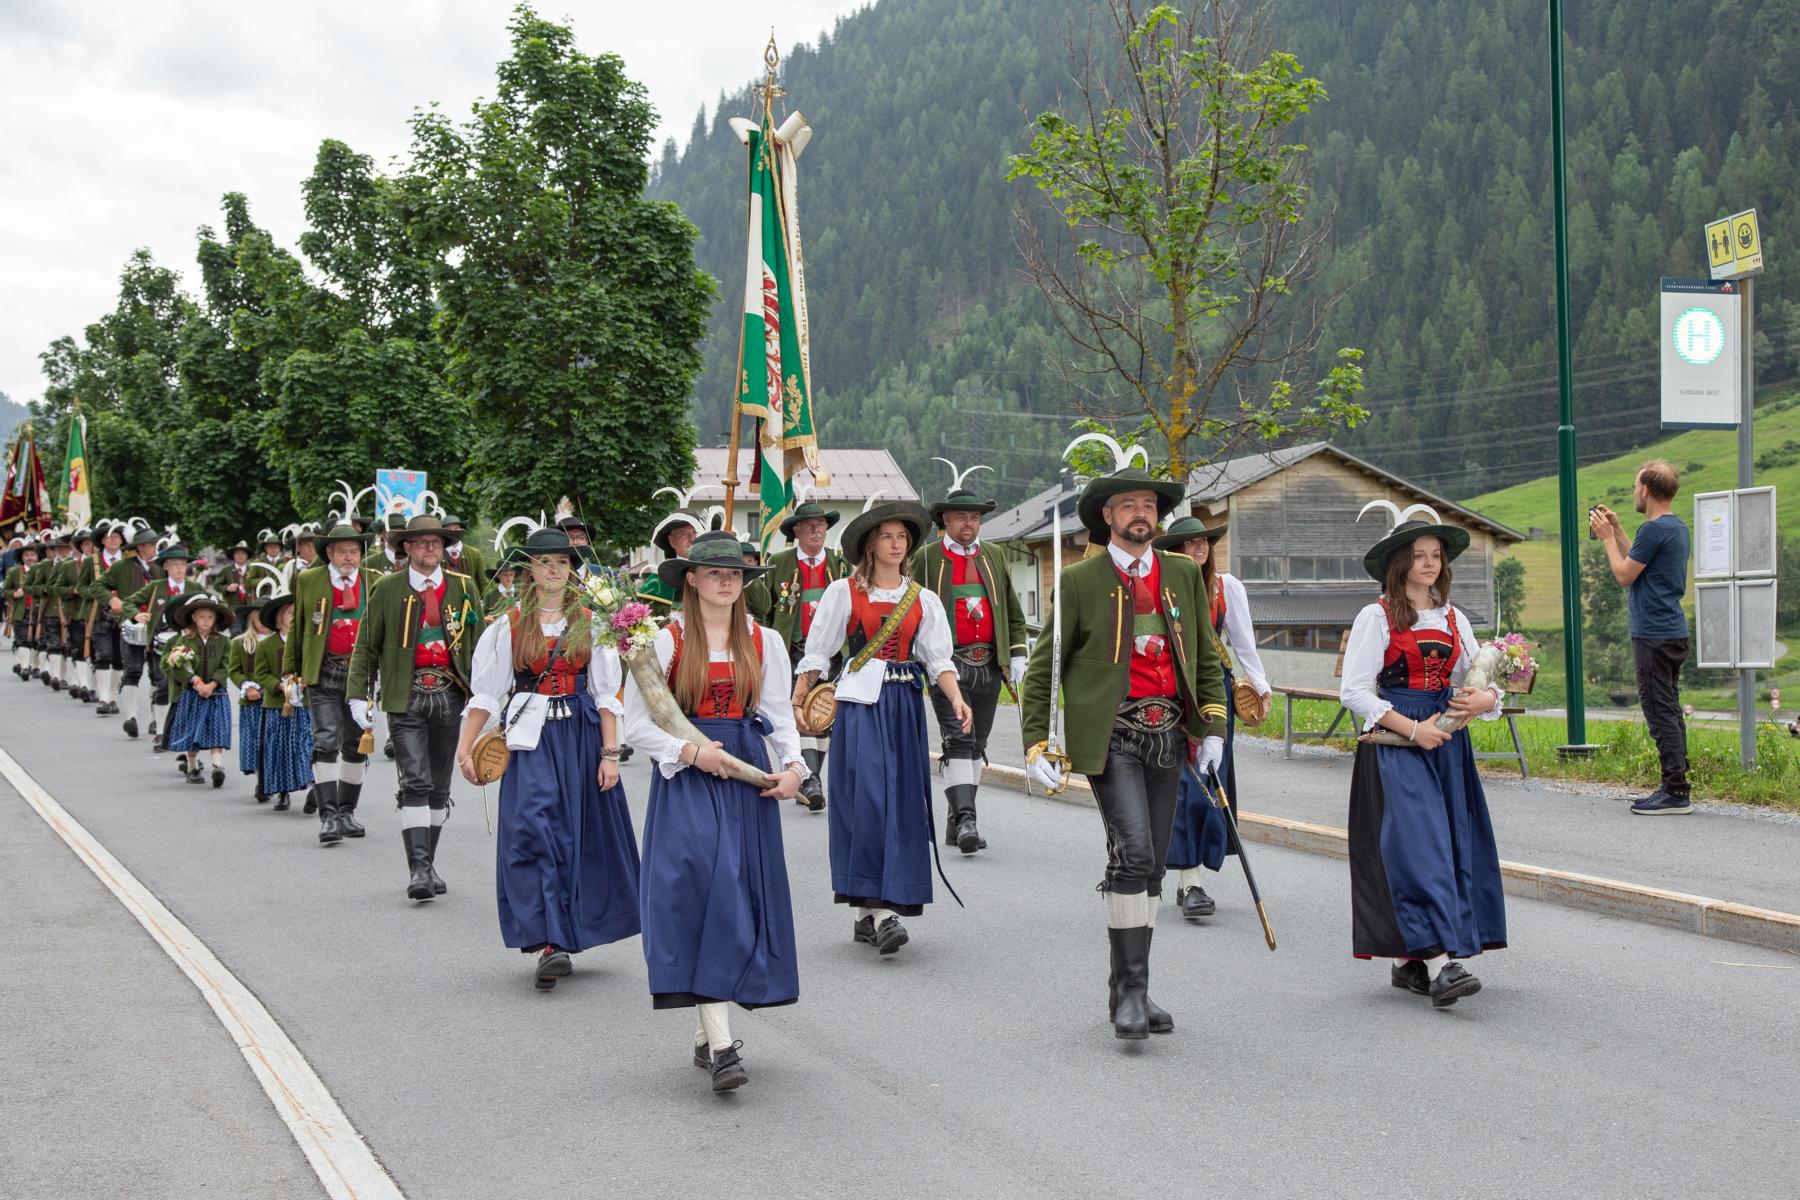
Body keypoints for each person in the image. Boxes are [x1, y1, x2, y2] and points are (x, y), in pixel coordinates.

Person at [1020, 456, 1226, 1041]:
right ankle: (1130, 992)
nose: (1143, 515)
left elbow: (1205, 658)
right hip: (1113, 739)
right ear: (1107, 516)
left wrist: (1211, 728)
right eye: (1130, 505)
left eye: (1150, 506)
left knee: (1155, 864)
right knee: (1134, 853)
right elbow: (1043, 670)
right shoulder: (1080, 581)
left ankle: (1129, 987)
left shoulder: (1183, 573)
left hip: (1170, 737)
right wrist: (1037, 739)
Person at [622, 530, 807, 1092]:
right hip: (689, 779)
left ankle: (709, 1032)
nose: (726, 582)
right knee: (709, 893)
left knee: (737, 895)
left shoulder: (765, 640)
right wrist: (689, 751)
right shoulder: (665, 641)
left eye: (735, 574)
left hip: (745, 773)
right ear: (693, 580)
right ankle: (724, 1047)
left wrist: (796, 768)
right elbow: (636, 724)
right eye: (715, 573)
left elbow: (778, 714)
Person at [456, 528, 641, 989]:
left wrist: (610, 756)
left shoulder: (593, 623)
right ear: (530, 572)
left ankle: (560, 940)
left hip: (579, 736)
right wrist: (464, 748)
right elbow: (486, 693)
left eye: (562, 562)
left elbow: (606, 696)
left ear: (572, 570)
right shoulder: (508, 625)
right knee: (533, 828)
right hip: (529, 740)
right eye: (544, 562)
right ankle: (547, 938)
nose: (554, 569)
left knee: (574, 835)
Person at [1339, 510, 1507, 1007]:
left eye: (1436, 555)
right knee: (1419, 845)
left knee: (1449, 843)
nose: (1430, 563)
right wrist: (1415, 730)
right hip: (1398, 744)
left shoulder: (1452, 616)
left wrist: (1487, 700)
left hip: (1447, 742)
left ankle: (1408, 961)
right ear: (1400, 562)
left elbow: (1475, 674)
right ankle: (1440, 964)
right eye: (1419, 555)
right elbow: (1353, 691)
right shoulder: (1376, 616)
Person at [795, 501, 971, 956]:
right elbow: (819, 652)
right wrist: (799, 699)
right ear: (871, 545)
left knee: (902, 802)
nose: (898, 544)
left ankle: (871, 910)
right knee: (868, 800)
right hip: (860, 708)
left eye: (903, 537)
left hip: (903, 707)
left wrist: (955, 697)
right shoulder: (844, 593)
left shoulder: (922, 598)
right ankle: (879, 911)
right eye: (888, 536)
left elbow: (937, 660)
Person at [348, 514, 486, 901]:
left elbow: (479, 646)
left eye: (436, 542)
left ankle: (429, 862)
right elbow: (367, 645)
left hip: (451, 695)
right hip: (405, 696)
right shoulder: (386, 589)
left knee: (440, 787)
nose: (431, 548)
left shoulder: (463, 586)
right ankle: (419, 870)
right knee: (416, 781)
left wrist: (488, 694)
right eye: (422, 542)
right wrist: (358, 694)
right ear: (406, 547)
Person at [1157, 514, 1271, 920]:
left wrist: (1260, 685)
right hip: (1169, 689)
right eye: (1188, 543)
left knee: (1209, 779)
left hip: (1213, 693)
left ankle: (1192, 876)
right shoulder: (1160, 584)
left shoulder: (1227, 587)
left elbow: (1242, 641)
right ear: (1175, 549)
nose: (1198, 548)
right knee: (1182, 783)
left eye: (1203, 542)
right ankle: (1188, 881)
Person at [911, 476, 1027, 854]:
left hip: (989, 664)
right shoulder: (926, 559)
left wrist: (1018, 652)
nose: (968, 524)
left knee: (977, 743)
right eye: (961, 517)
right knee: (959, 737)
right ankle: (966, 820)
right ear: (945, 521)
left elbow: (1010, 608)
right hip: (947, 663)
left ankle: (955, 820)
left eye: (974, 518)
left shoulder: (993, 556)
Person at [1589, 460, 1693, 815]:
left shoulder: (1654, 530)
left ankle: (1676, 790)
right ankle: (1677, 781)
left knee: (1658, 709)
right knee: (1669, 707)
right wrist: (1618, 529)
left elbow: (1624, 574)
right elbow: (1640, 559)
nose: (1634, 492)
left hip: (1653, 633)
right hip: (1673, 631)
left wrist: (1606, 539)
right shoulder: (1675, 528)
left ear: (1646, 490)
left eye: (1636, 486)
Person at [744, 497, 847, 812]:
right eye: (810, 526)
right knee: (798, 710)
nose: (818, 530)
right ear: (798, 531)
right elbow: (764, 607)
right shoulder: (780, 562)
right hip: (794, 649)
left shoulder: (840, 563)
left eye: (822, 525)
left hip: (833, 652)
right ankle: (811, 778)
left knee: (825, 712)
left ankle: (811, 775)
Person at [283, 523, 382, 836]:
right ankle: (327, 817)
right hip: (324, 670)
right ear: (329, 553)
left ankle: (346, 812)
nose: (349, 557)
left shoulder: (374, 581)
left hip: (362, 676)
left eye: (354, 551)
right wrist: (291, 673)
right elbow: (298, 626)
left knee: (356, 744)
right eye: (342, 551)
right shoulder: (310, 579)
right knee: (326, 739)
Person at [124, 543, 203, 751]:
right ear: (165, 566)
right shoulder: (156, 587)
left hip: (190, 643)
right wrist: (136, 614)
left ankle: (184, 733)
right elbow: (129, 602)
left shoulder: (195, 588)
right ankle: (160, 732)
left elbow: (214, 604)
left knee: (188, 688)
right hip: (161, 643)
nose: (179, 568)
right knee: (162, 686)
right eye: (174, 564)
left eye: (183, 564)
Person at [163, 595, 236, 787]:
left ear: (216, 620)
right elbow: (176, 665)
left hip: (216, 693)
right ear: (194, 617)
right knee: (192, 730)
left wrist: (212, 684)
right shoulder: (184, 640)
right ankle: (192, 766)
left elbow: (227, 665)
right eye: (202, 616)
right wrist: (195, 681)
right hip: (192, 693)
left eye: (210, 617)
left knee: (217, 728)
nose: (206, 621)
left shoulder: (223, 641)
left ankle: (218, 766)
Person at [253, 591, 314, 812]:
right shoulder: (267, 645)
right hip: (277, 706)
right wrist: (279, 685)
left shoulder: (306, 641)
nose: (293, 616)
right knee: (278, 748)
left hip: (304, 704)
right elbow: (260, 673)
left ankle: (310, 788)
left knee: (305, 745)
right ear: (280, 617)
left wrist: (306, 680)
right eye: (289, 613)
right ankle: (282, 792)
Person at [98, 528, 162, 731]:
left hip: (157, 626)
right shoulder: (121, 567)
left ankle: (155, 718)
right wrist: (112, 600)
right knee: (132, 670)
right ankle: (131, 717)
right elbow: (97, 587)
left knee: (157, 673)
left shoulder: (162, 567)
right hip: (130, 624)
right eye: (151, 544)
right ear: (140, 547)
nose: (154, 548)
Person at [77, 522, 127, 713]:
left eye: (116, 536)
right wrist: (102, 596)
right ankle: (103, 698)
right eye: (108, 537)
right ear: (102, 541)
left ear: (122, 540)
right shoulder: (92, 561)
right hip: (97, 613)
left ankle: (113, 697)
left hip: (123, 614)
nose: (113, 540)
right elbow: (82, 586)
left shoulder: (129, 560)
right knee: (103, 654)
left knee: (120, 657)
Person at [229, 604, 269, 801]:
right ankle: (261, 780)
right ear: (251, 619)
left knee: (273, 741)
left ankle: (274, 782)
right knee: (254, 742)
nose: (262, 622)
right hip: (252, 701)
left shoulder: (281, 641)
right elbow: (234, 670)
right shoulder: (240, 643)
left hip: (275, 699)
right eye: (258, 617)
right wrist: (247, 686)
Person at [636, 512, 702, 611]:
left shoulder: (715, 573)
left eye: (696, 533)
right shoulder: (657, 584)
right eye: (684, 534)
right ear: (672, 541)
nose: (692, 539)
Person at [5, 541, 40, 680]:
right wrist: (14, 594)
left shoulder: (42, 570)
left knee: (38, 640)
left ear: (37, 557)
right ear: (22, 557)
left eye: (32, 554)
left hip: (39, 610)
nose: (30, 557)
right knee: (22, 638)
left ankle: (36, 667)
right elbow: (5, 590)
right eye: (26, 555)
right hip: (22, 610)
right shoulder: (15, 572)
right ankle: (25, 667)